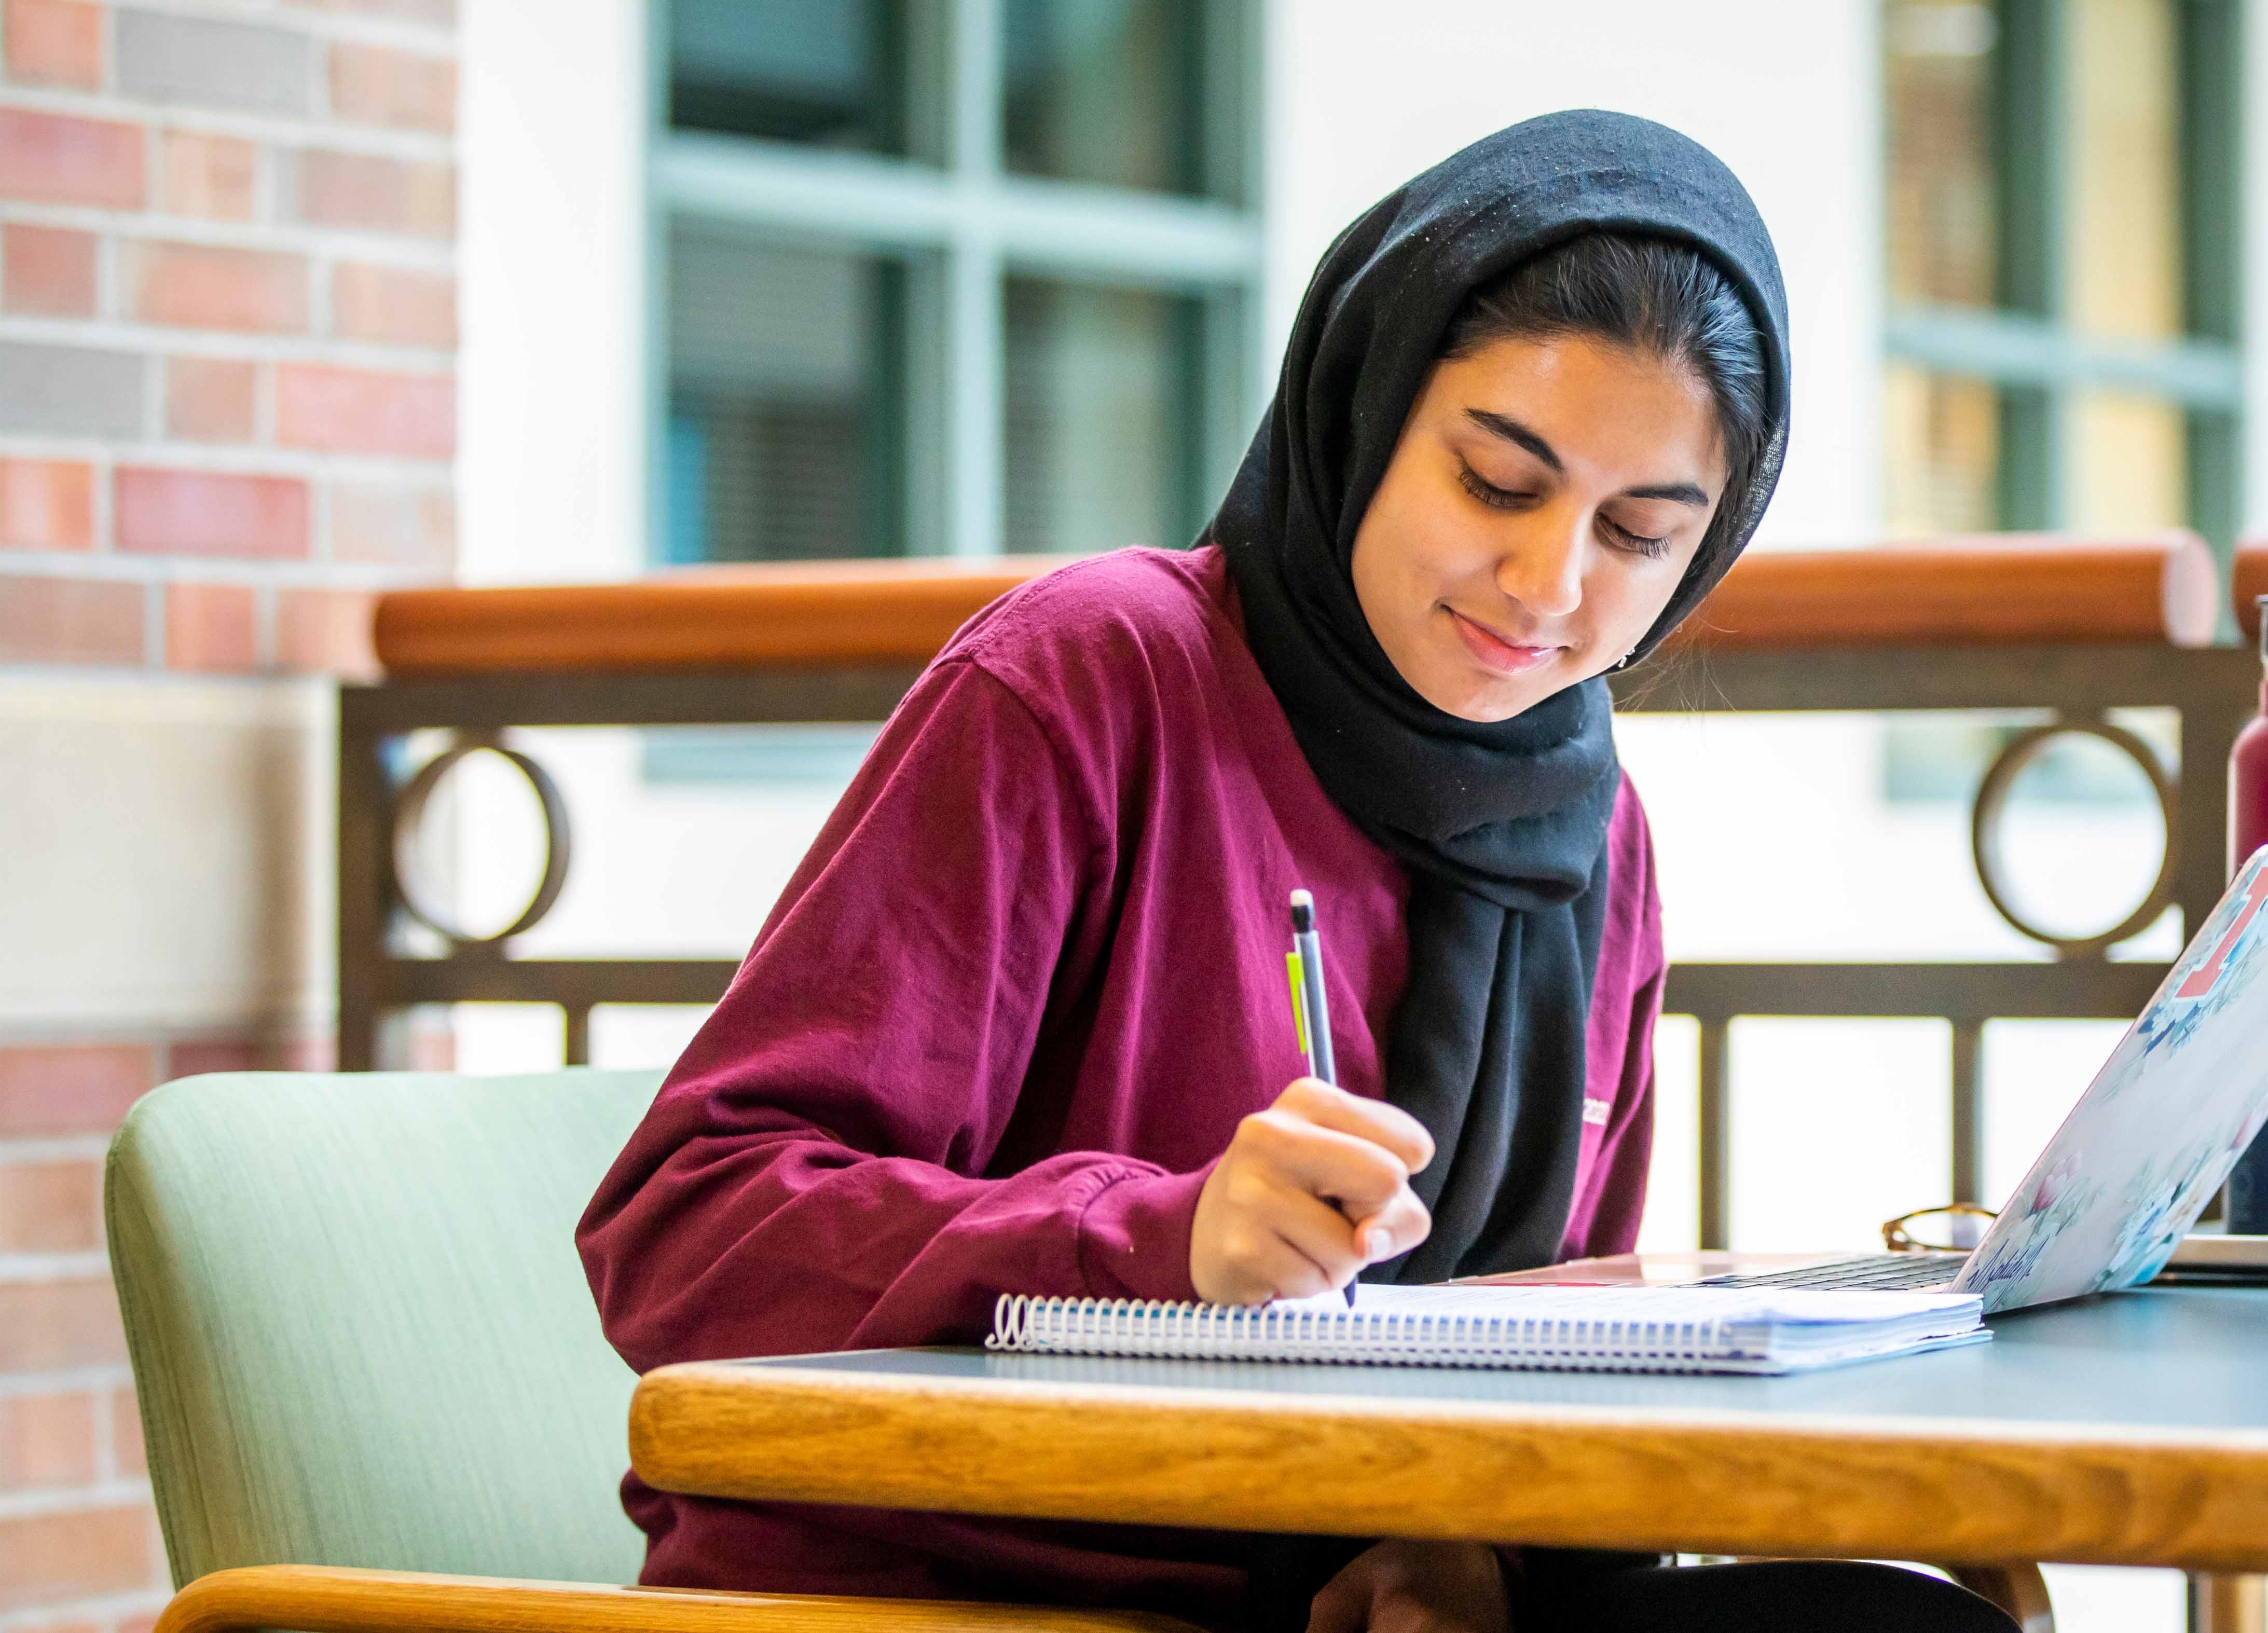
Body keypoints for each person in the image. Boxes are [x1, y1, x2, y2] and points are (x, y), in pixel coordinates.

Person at [577, 111, 2017, 1633]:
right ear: (1365, 405)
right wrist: (1160, 1239)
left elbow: (1557, 1348)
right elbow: (687, 1227)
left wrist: (1469, 1550)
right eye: (1496, 482)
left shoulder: (1594, 840)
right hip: (970, 1592)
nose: (1551, 588)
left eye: (1642, 533)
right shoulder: (1092, 679)